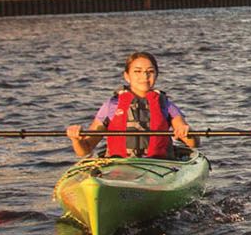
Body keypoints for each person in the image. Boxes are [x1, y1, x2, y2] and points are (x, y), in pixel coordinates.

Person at [66, 51, 196, 159]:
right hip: (120, 166)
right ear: (127, 76)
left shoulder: (166, 105)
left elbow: (194, 143)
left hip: (158, 167)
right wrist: (76, 139)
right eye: (137, 71)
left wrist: (187, 133)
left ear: (156, 75)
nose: (144, 76)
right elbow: (86, 150)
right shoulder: (111, 106)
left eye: (150, 71)